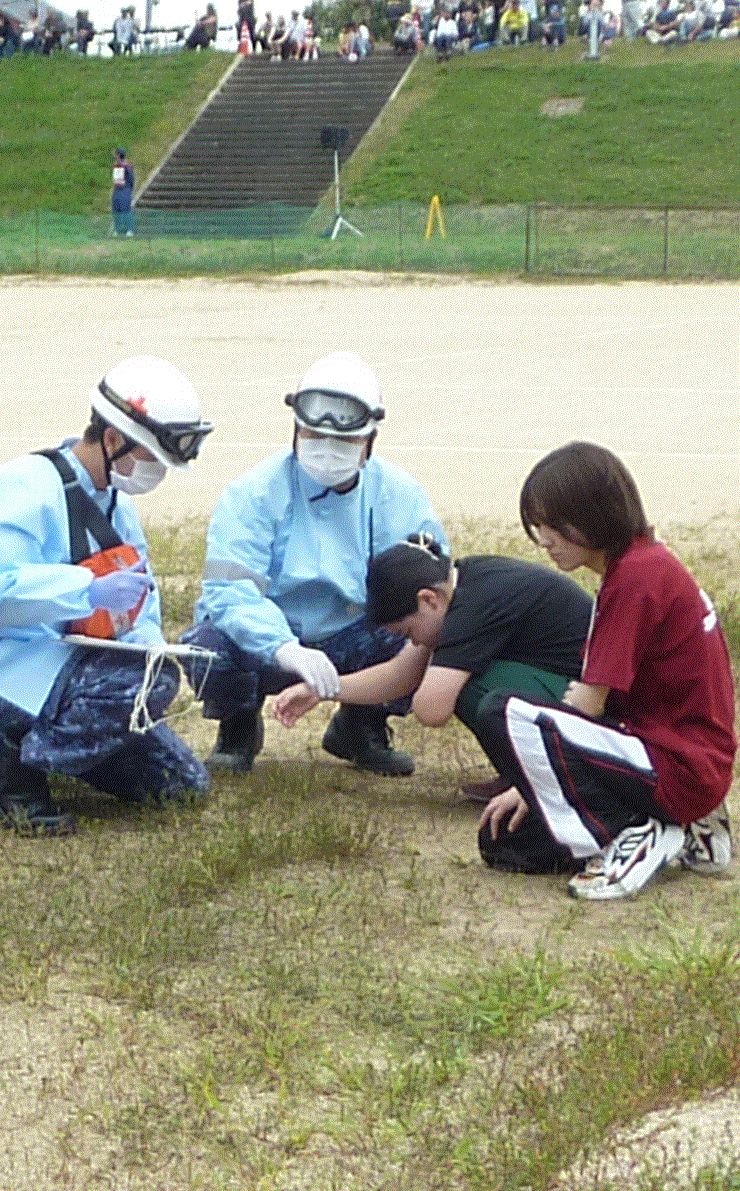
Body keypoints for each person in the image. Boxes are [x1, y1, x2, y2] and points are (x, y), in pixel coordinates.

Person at [0, 357, 214, 836]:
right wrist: (86, 591)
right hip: (7, 675)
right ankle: (4, 765)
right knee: (145, 685)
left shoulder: (115, 501)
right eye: (151, 458)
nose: (155, 473)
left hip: (79, 667)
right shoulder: (23, 487)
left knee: (182, 784)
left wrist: (148, 642)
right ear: (112, 439)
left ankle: (80, 744)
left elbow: (140, 600)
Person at [476, 443, 734, 899]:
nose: (544, 539)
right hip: (683, 763)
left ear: (594, 515)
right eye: (537, 526)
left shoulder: (635, 579)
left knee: (504, 710)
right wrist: (535, 778)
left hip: (676, 766)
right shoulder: (643, 563)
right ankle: (690, 830)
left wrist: (534, 766)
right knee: (503, 844)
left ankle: (634, 833)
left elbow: (589, 704)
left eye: (553, 524)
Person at [183, 351, 444, 777]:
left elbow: (432, 584)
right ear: (295, 431)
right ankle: (237, 727)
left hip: (354, 632)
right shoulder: (251, 492)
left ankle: (361, 726)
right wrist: (284, 648)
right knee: (208, 644)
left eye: (343, 441)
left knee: (420, 630)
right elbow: (228, 591)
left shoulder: (400, 494)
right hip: (271, 637)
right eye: (313, 436)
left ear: (369, 442)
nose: (327, 450)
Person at [272, 534, 592, 802]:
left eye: (407, 632)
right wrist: (322, 689)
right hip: (563, 687)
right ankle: (519, 776)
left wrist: (433, 666)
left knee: (471, 687)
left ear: (429, 599)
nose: (411, 640)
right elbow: (400, 675)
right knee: (458, 677)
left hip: (586, 704)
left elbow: (430, 708)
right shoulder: (462, 585)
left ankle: (546, 778)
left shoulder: (473, 608)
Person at [110, 147, 136, 238]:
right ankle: (117, 229)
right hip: (117, 189)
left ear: (118, 154)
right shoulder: (117, 165)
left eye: (116, 154)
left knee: (126, 209)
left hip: (125, 189)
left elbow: (131, 179)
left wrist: (128, 189)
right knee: (116, 208)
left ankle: (129, 230)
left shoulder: (127, 165)